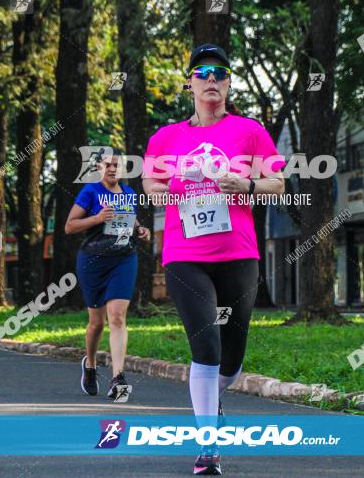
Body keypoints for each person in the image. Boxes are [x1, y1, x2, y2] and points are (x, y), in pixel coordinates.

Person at [143, 44, 285, 476]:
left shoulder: (250, 131)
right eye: (202, 73)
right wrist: (170, 188)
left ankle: (214, 397)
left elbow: (277, 183)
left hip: (238, 253)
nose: (211, 80)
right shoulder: (166, 138)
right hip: (185, 255)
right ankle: (208, 446)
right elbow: (150, 185)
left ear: (227, 84)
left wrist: (244, 184)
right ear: (189, 82)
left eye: (219, 74)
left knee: (232, 356)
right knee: (205, 343)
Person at [65, 150, 151, 401]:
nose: (113, 169)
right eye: (108, 165)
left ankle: (117, 377)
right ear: (99, 168)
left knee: (117, 317)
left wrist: (141, 230)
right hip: (93, 260)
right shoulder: (90, 192)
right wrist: (97, 218)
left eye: (117, 165)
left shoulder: (128, 193)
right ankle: (90, 365)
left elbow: (131, 222)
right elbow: (69, 226)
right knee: (97, 323)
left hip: (124, 259)